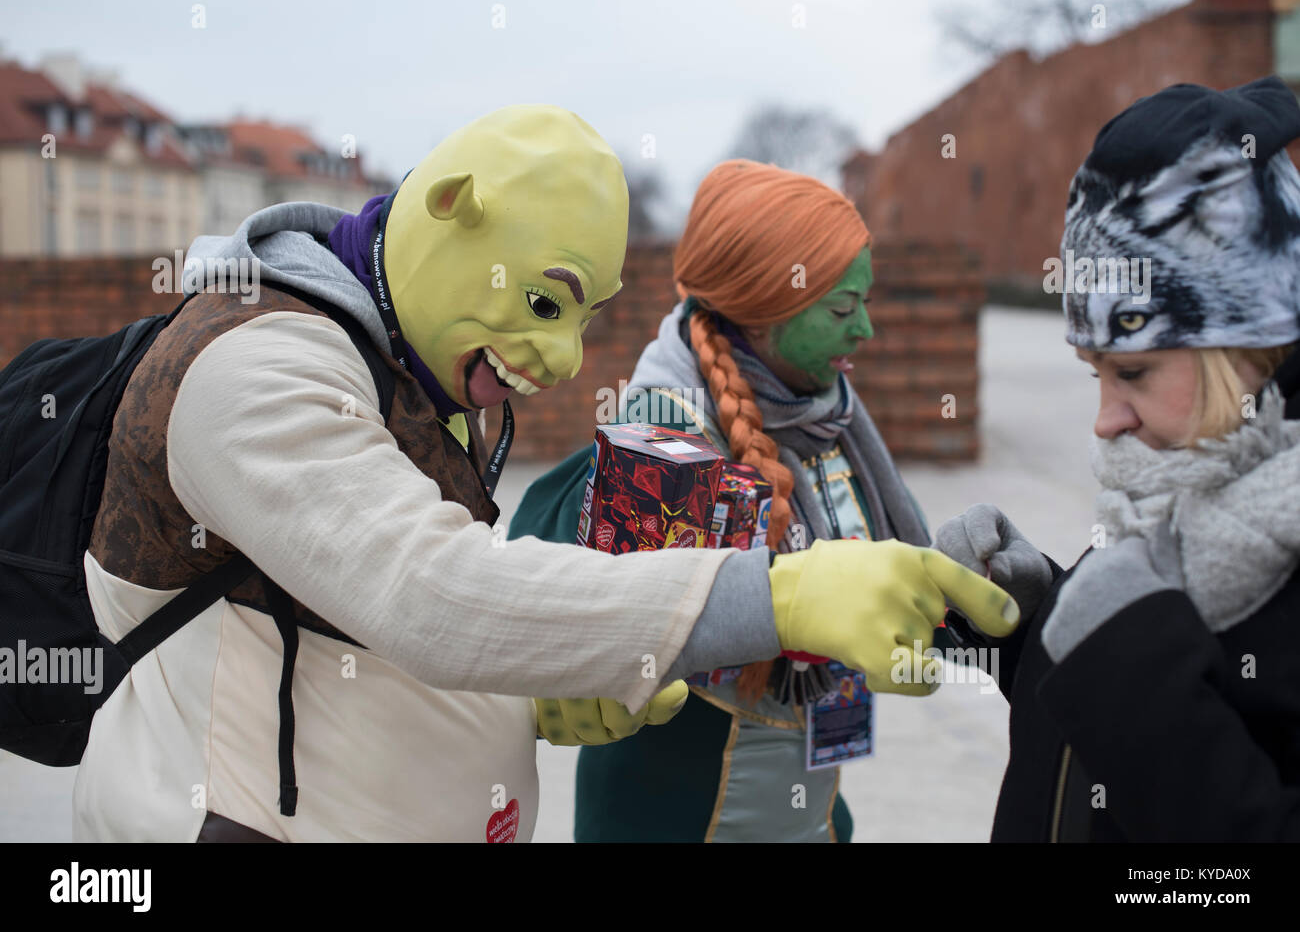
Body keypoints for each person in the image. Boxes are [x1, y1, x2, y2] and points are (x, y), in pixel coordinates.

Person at [71, 106, 1015, 841]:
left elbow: (352, 626)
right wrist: (781, 593)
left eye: (585, 317)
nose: (564, 361)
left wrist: (520, 695)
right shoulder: (251, 368)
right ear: (451, 215)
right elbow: (429, 591)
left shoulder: (408, 360)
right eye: (543, 302)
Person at [511, 160, 947, 842]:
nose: (866, 329)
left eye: (865, 301)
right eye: (841, 308)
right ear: (764, 308)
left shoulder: (821, 412)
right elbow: (660, 632)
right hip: (681, 817)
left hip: (803, 803)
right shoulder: (660, 437)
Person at [933, 75, 1300, 841]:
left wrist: (1118, 657)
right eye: (1094, 373)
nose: (1105, 421)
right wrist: (1031, 629)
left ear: (1249, 348)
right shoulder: (1190, 483)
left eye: (1133, 371)